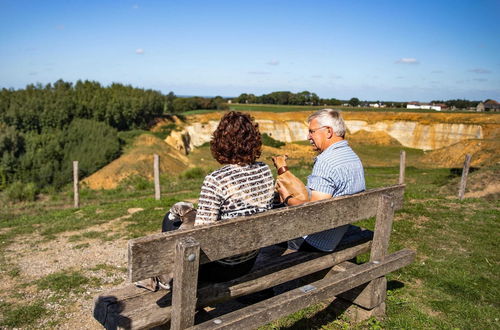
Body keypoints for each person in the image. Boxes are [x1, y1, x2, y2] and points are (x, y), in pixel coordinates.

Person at [138, 111, 275, 291]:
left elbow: (201, 234)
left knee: (169, 220)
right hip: (249, 260)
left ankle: (166, 280)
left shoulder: (216, 180)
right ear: (254, 141)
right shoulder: (264, 170)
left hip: (222, 267)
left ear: (220, 142)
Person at [276, 108, 365, 252]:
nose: (308, 136)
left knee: (266, 232)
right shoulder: (352, 156)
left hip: (318, 241)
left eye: (312, 131)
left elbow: (314, 212)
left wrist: (287, 199)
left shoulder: (326, 161)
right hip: (337, 230)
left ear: (329, 131)